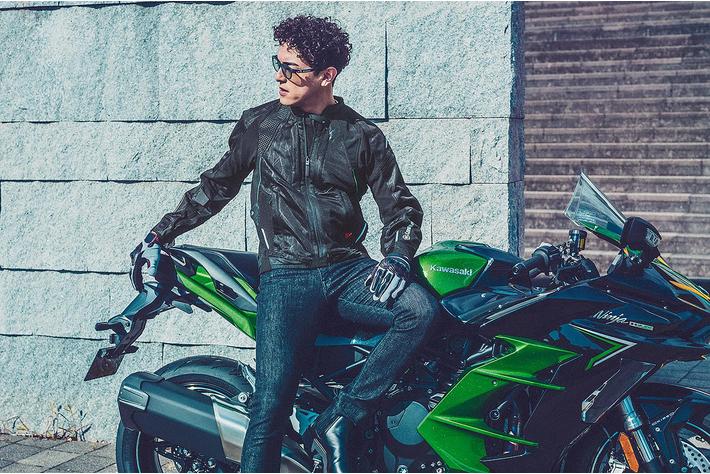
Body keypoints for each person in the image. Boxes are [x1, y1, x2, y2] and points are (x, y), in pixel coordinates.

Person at [130, 15, 440, 473]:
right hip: (286, 275)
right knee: (270, 405)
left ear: (326, 75)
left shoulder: (362, 135)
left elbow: (400, 207)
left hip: (348, 270)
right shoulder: (260, 124)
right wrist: (161, 232)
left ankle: (342, 418)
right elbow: (216, 187)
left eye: (292, 68)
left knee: (420, 310)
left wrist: (396, 257)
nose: (279, 75)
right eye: (277, 64)